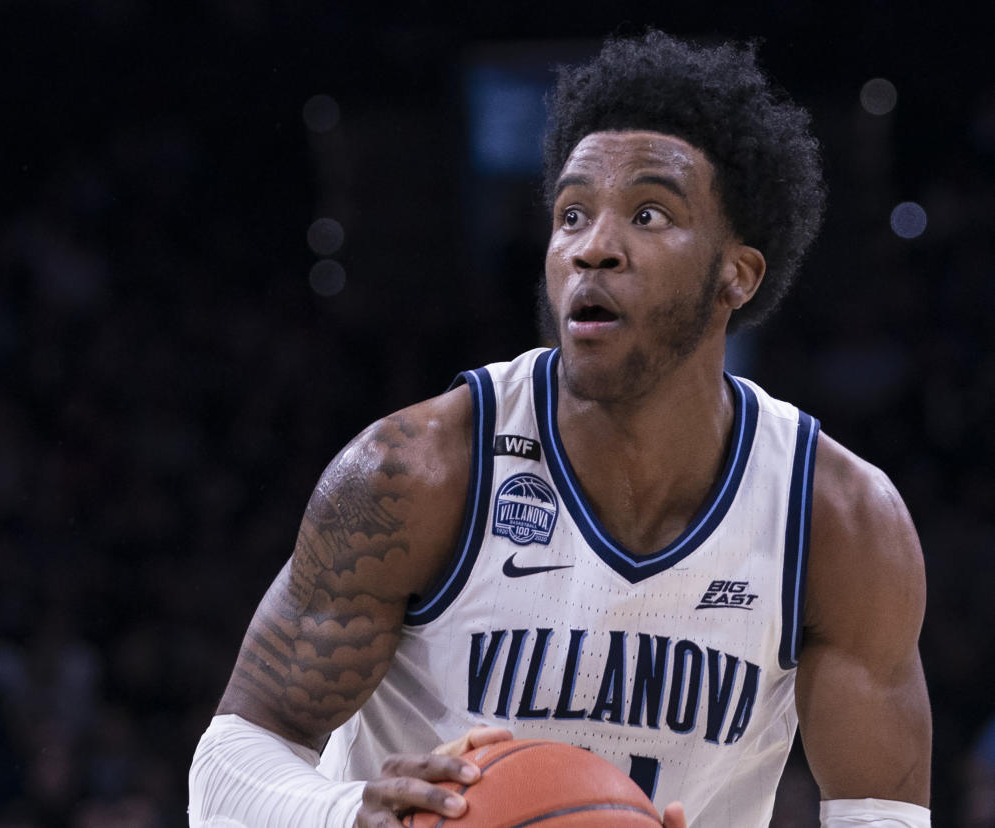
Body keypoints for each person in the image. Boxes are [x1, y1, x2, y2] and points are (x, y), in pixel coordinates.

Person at [188, 29, 932, 827]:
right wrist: (348, 814)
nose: (594, 249)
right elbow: (226, 767)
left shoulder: (837, 520)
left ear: (736, 275)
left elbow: (881, 816)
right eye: (572, 215)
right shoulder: (418, 470)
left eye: (648, 214)